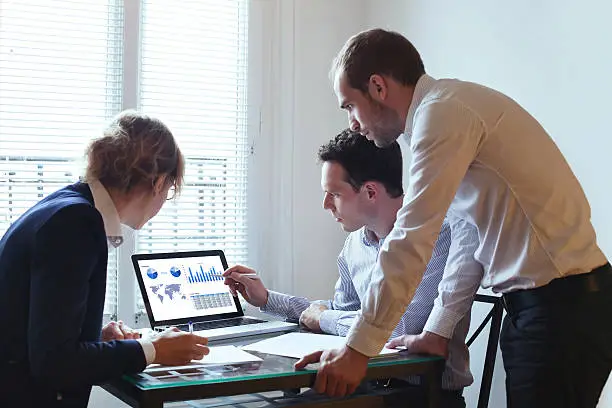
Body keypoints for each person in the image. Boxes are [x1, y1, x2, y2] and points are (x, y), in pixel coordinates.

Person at [296, 28, 612, 408]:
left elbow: (412, 238)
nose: (352, 123)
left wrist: (357, 350)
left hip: (562, 310)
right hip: (549, 308)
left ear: (378, 87)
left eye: (349, 105)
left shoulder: (442, 115)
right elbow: (467, 236)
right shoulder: (444, 113)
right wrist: (437, 332)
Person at [225, 130, 479, 407]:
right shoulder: (354, 244)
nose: (325, 205)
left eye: (333, 194)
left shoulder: (437, 234)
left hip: (421, 394)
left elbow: (395, 329)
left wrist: (323, 318)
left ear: (370, 192)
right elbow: (344, 313)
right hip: (362, 383)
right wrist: (267, 299)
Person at [0, 111, 209, 407]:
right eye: (170, 190)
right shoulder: (77, 222)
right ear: (159, 182)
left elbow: (37, 330)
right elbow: (55, 364)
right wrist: (150, 350)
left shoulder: (63, 205)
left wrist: (96, 338)